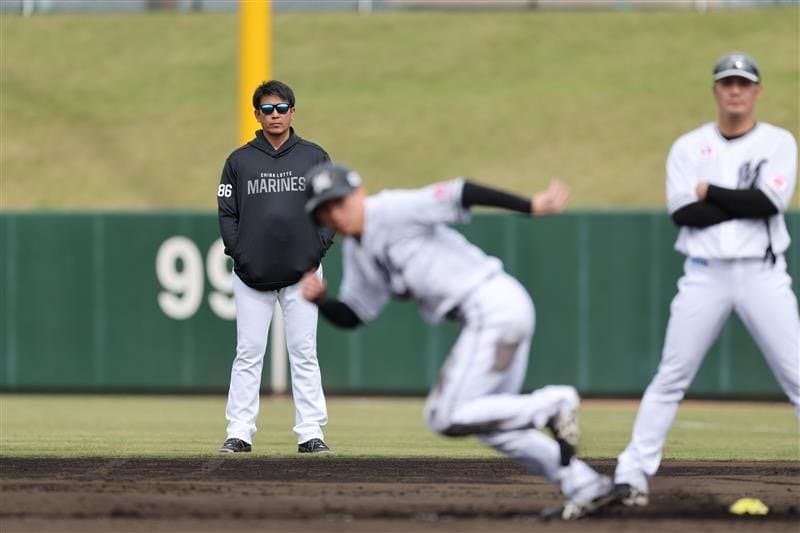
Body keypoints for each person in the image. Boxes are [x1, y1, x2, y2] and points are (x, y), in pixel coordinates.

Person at [299, 163, 615, 520]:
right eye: (324, 211)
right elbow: (355, 314)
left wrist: (529, 206)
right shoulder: (357, 251)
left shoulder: (392, 208)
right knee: (495, 427)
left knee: (442, 415)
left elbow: (461, 191)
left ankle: (552, 404)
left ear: (358, 193)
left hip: (490, 305)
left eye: (338, 203)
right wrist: (322, 301)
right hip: (493, 313)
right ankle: (586, 485)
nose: (334, 215)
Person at [614, 52, 799, 506]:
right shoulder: (688, 145)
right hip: (704, 275)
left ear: (757, 90)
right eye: (726, 82)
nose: (735, 90)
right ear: (715, 90)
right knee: (671, 375)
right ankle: (632, 474)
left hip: (763, 273)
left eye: (743, 82)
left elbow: (768, 204)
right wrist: (737, 200)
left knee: (798, 375)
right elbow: (683, 213)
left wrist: (711, 192)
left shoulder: (778, 141)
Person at [216, 80, 336, 454]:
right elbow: (227, 212)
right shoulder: (239, 161)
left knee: (304, 351)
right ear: (257, 114)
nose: (275, 116)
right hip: (253, 275)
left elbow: (332, 207)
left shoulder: (314, 156)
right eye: (267, 109)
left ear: (292, 112)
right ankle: (239, 430)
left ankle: (311, 431)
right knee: (248, 352)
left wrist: (318, 250)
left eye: (281, 108)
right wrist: (240, 253)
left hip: (303, 274)